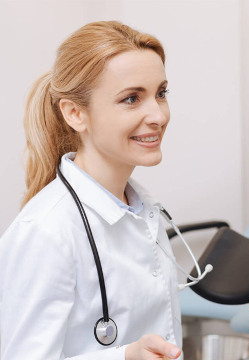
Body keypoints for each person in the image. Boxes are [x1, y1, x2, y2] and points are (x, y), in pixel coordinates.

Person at [0, 21, 184, 359]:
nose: (157, 115)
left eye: (161, 93)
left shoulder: (143, 210)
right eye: (132, 98)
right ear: (75, 113)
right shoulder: (45, 231)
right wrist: (124, 356)